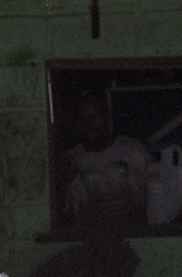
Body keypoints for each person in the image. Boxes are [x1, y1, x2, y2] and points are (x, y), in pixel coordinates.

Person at [58, 89, 151, 237]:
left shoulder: (134, 151)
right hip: (89, 243)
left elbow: (153, 200)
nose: (89, 125)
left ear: (107, 115)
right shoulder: (71, 160)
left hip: (135, 239)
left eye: (94, 117)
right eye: (83, 120)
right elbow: (63, 212)